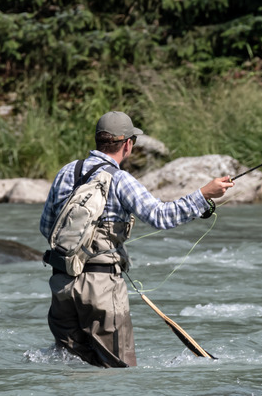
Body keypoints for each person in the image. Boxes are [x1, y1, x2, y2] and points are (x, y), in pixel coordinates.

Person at [39, 110, 233, 368]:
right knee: (120, 373)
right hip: (101, 288)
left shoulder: (67, 172)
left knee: (73, 370)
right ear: (128, 144)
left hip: (61, 285)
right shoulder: (120, 179)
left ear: (99, 140)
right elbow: (161, 217)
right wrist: (203, 195)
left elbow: (46, 227)